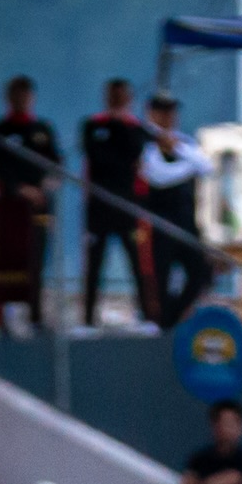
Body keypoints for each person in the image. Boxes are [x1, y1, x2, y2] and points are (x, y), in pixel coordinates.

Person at [0, 75, 61, 327]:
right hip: (10, 205)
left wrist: (47, 186)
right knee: (7, 260)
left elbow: (56, 164)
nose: (22, 99)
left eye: (26, 95)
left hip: (39, 207)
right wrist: (20, 189)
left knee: (36, 261)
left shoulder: (42, 129)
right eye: (17, 94)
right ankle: (0, 316)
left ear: (32, 97)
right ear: (8, 98)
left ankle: (36, 315)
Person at [140, 92, 214, 331]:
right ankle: (162, 323)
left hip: (186, 221)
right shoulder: (145, 141)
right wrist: (189, 167)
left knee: (201, 272)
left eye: (172, 111)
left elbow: (206, 165)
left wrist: (180, 151)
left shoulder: (183, 142)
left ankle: (171, 319)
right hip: (159, 221)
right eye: (163, 111)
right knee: (160, 277)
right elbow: (157, 176)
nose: (169, 117)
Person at [81, 78, 150, 326]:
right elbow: (98, 158)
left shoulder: (135, 128)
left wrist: (121, 125)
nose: (117, 101)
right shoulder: (92, 125)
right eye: (114, 96)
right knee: (94, 265)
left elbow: (135, 153)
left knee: (136, 263)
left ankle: (145, 315)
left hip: (127, 206)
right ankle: (88, 319)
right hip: (98, 207)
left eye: (121, 97)